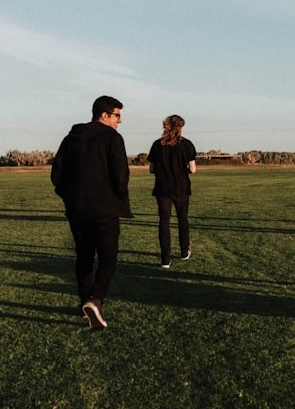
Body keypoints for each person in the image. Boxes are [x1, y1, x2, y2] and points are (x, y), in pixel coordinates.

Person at [51, 96, 132, 330]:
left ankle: (84, 302)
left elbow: (57, 174)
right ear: (104, 115)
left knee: (84, 256)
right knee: (109, 257)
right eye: (117, 115)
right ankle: (95, 299)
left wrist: (69, 197)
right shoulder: (112, 138)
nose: (120, 120)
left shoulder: (70, 139)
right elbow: (121, 176)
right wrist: (116, 198)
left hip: (76, 209)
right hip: (104, 209)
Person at [147, 114, 197, 269]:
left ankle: (165, 259)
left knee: (164, 221)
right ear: (180, 127)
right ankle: (184, 251)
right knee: (182, 219)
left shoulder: (157, 145)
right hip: (181, 187)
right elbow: (193, 169)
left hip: (163, 188)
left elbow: (151, 169)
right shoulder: (187, 144)